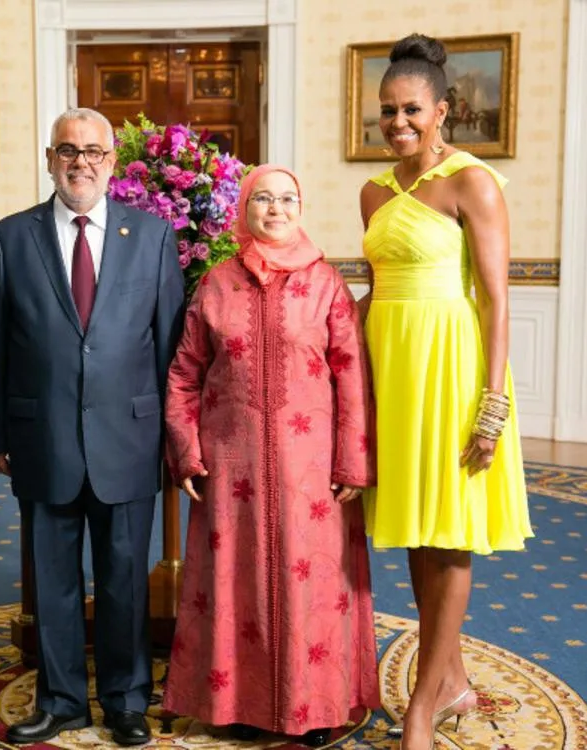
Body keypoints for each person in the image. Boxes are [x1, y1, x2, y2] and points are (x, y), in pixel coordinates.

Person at [0, 107, 185, 746]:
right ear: (49, 159)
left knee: (124, 580)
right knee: (54, 581)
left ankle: (125, 700)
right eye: (68, 150)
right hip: (42, 438)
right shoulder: (10, 238)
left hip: (130, 438)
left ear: (112, 162)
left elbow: (170, 348)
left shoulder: (152, 236)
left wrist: (172, 437)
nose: (81, 163)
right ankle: (62, 699)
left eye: (94, 151)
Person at [161, 165, 381, 745]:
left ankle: (316, 708)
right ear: (244, 209)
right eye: (262, 198)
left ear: (301, 208)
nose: (275, 209)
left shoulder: (326, 283)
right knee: (235, 584)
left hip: (312, 472)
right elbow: (184, 373)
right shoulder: (216, 284)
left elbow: (352, 375)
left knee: (310, 586)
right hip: (230, 468)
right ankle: (234, 704)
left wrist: (353, 462)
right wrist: (187, 451)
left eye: (287, 199)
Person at [357, 34, 533, 750]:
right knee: (416, 532)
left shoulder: (473, 181)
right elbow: (375, 293)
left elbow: (495, 300)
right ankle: (452, 679)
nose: (397, 122)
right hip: (392, 370)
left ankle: (422, 708)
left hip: (452, 372)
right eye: (387, 111)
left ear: (442, 111)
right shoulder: (373, 192)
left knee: (451, 537)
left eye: (411, 110)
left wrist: (492, 406)